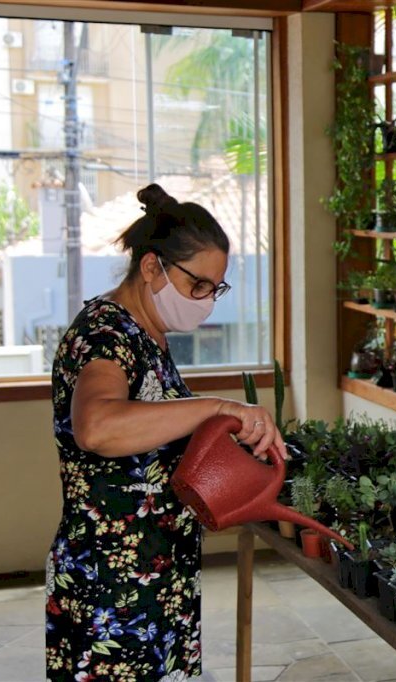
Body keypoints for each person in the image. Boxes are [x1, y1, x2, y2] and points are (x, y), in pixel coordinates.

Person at [45, 184, 284, 681]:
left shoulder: (148, 334)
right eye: (199, 286)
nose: (206, 302)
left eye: (215, 289)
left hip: (155, 570)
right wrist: (217, 406)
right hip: (111, 583)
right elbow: (98, 426)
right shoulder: (105, 334)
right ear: (152, 268)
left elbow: (154, 432)